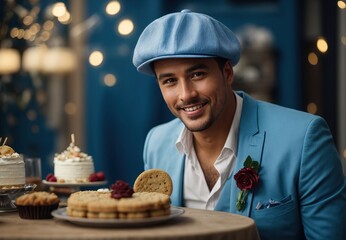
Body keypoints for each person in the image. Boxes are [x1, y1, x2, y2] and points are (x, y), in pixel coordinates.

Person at [132, 9, 346, 240]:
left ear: (227, 73)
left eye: (197, 75)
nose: (186, 94)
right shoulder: (156, 142)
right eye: (170, 81)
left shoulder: (304, 138)